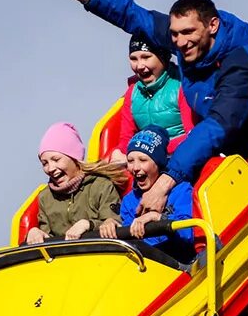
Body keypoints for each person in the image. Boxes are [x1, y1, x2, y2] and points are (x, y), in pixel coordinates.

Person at [27, 0, 248, 216]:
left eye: (188, 32)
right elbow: (132, 15)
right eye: (175, 34)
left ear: (212, 26)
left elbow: (218, 126)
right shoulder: (185, 41)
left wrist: (165, 181)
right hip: (212, 143)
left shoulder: (240, 64)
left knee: (184, 183)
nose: (180, 43)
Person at [99, 126, 195, 262]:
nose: (135, 168)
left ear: (158, 163)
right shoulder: (129, 201)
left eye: (143, 160)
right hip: (144, 264)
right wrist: (111, 224)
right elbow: (129, 241)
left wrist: (157, 217)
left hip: (177, 264)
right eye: (130, 161)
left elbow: (188, 235)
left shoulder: (181, 191)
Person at [25, 122, 127, 245]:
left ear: (74, 157)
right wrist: (35, 233)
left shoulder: (100, 186)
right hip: (64, 260)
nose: (50, 168)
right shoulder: (45, 197)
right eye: (44, 163)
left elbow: (114, 223)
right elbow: (48, 240)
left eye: (56, 160)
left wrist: (88, 225)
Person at [109, 33, 193, 165]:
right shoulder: (132, 93)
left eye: (146, 57)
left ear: (163, 57)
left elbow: (192, 135)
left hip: (181, 157)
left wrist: (152, 151)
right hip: (146, 162)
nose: (139, 66)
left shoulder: (182, 85)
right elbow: (126, 137)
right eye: (134, 59)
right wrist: (119, 151)